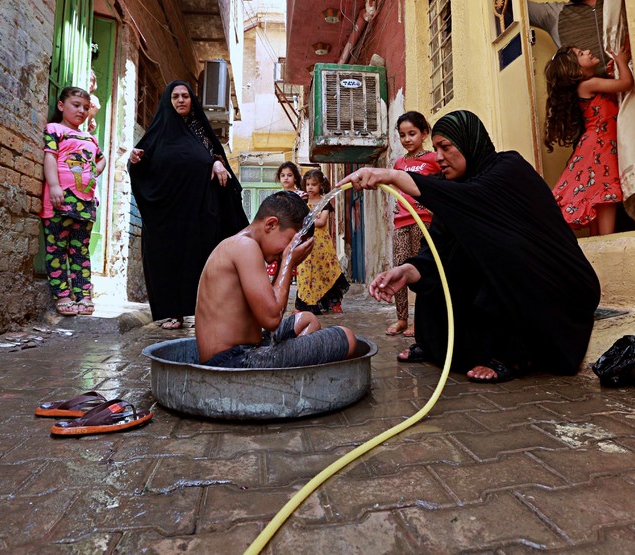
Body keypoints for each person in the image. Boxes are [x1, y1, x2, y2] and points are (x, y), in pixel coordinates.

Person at [342, 110, 599, 383]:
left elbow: (471, 200)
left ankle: (513, 355)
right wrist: (407, 271)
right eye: (436, 148)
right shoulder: (453, 187)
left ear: (468, 142)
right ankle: (439, 345)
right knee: (446, 265)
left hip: (557, 289)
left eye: (446, 147)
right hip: (506, 287)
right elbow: (439, 249)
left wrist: (392, 176)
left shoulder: (508, 170)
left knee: (499, 249)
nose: (439, 156)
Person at [128, 81, 247, 330]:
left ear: (192, 100)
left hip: (197, 213)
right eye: (175, 96)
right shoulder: (158, 132)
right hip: (166, 215)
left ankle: (199, 310)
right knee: (166, 258)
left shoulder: (200, 132)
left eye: (185, 96)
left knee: (198, 259)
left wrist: (216, 163)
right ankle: (171, 313)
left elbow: (215, 156)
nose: (180, 100)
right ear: (167, 101)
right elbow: (142, 165)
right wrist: (135, 161)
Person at [195, 191, 358, 368]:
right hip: (231, 361)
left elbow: (270, 308)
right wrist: (288, 261)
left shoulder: (243, 245)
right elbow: (272, 319)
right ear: (271, 224)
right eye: (289, 241)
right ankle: (286, 380)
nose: (287, 249)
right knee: (346, 336)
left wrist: (285, 263)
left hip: (246, 349)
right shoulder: (244, 246)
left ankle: (289, 372)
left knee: (307, 319)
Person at [545, 46, 633, 235]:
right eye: (580, 54)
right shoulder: (588, 85)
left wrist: (612, 73)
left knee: (598, 196)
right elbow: (626, 84)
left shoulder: (591, 85)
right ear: (576, 71)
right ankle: (608, 242)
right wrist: (622, 62)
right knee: (604, 195)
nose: (587, 51)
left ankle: (602, 244)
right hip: (599, 147)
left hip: (598, 145)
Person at [40, 86, 107, 316]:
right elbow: (50, 157)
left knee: (80, 250)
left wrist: (92, 174)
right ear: (61, 106)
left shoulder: (90, 137)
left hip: (86, 203)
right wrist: (55, 186)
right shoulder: (55, 130)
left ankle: (83, 295)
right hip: (59, 200)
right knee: (57, 248)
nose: (81, 111)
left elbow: (102, 159)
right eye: (76, 105)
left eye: (85, 108)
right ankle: (63, 295)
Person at [386, 111, 440, 336]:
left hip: (424, 222)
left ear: (424, 133)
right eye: (402, 135)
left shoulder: (433, 159)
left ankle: (420, 321)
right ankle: (401, 319)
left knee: (422, 271)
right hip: (401, 222)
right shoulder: (399, 163)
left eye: (412, 133)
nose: (407, 139)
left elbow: (441, 187)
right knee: (399, 268)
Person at [295, 169, 350, 315]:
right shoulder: (303, 202)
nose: (310, 188)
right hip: (306, 242)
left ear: (321, 185)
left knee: (326, 271)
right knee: (305, 273)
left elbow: (321, 222)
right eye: (307, 184)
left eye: (313, 184)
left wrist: (306, 220)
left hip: (321, 245)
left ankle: (334, 302)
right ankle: (304, 304)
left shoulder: (324, 202)